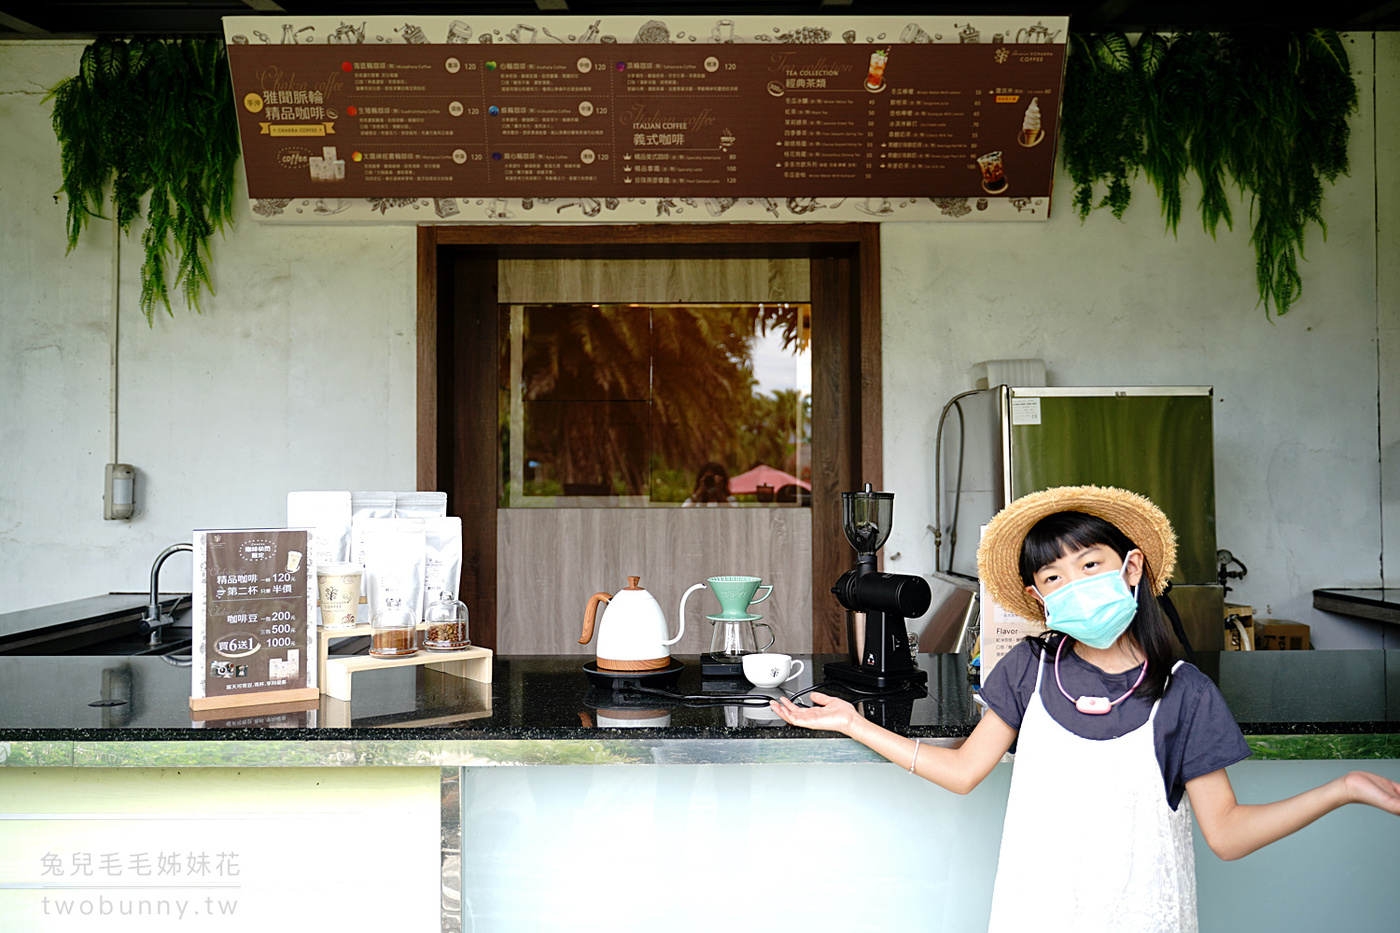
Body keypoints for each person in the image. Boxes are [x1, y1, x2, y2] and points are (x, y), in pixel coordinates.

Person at [772, 485, 1400, 932]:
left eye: (1090, 564)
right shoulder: (1027, 670)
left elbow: (1227, 834)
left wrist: (1342, 787)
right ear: (1036, 597)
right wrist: (852, 722)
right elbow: (964, 772)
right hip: (1035, 915)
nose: (1073, 584)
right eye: (1053, 578)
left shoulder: (1185, 693)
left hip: (1147, 918)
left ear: (1131, 568)